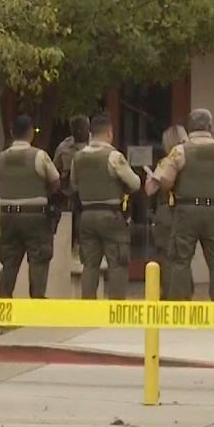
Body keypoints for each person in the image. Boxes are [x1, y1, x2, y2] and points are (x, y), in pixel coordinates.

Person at [153, 108, 214, 301]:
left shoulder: (179, 151)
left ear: (190, 127)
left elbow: (166, 182)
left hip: (187, 210)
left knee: (180, 260)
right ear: (210, 126)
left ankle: (180, 305)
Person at [73, 114, 141, 299]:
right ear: (110, 133)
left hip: (86, 215)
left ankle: (88, 307)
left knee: (90, 264)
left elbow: (74, 184)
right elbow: (135, 183)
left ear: (90, 133)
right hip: (111, 215)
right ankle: (116, 308)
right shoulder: (114, 156)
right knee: (118, 262)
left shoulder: (78, 157)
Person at [0, 114, 61, 298]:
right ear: (31, 133)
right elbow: (55, 182)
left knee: (9, 261)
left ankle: (4, 302)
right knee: (39, 259)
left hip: (7, 216)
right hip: (35, 216)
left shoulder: (0, 158)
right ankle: (37, 302)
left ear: (11, 132)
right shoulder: (39, 156)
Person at [146, 125, 187, 296]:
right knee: (183, 257)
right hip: (186, 212)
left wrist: (150, 178)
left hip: (167, 213)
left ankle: (171, 295)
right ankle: (185, 293)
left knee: (167, 256)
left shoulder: (167, 161)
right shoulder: (191, 161)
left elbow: (150, 189)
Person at [54, 115, 91, 254]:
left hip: (91, 192)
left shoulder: (97, 145)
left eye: (83, 129)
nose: (81, 132)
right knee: (68, 228)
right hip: (70, 194)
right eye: (77, 129)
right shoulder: (64, 147)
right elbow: (54, 169)